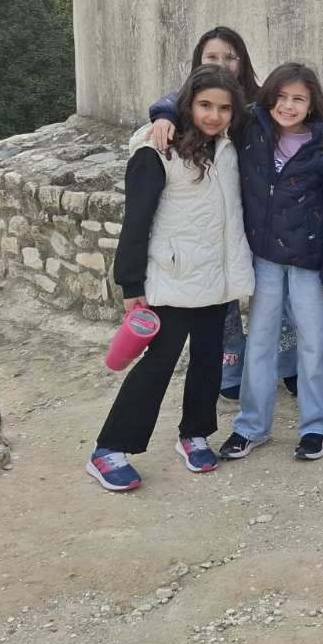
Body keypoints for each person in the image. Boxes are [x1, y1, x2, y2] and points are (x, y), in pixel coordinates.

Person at [147, 27, 323, 399]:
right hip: (219, 215)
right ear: (198, 62)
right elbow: (174, 102)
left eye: (230, 57)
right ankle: (231, 369)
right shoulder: (194, 103)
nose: (222, 64)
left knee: (278, 305)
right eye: (212, 57)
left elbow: (303, 116)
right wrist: (161, 115)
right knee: (226, 308)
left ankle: (288, 366)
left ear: (243, 61)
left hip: (262, 216)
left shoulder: (260, 101)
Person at [87, 66, 254, 491]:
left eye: (223, 108)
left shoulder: (228, 148)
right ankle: (109, 449)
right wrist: (131, 284)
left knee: (209, 360)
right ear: (187, 105)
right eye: (204, 105)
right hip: (172, 277)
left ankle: (194, 434)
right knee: (158, 364)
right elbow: (136, 220)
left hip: (215, 278)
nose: (213, 116)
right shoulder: (157, 149)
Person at [193, 63, 323, 463]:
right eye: (281, 97)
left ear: (312, 104)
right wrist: (162, 117)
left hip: (310, 262)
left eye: (298, 99)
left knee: (314, 343)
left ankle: (318, 425)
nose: (288, 106)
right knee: (260, 342)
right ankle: (251, 426)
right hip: (264, 257)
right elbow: (193, 102)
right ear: (268, 97)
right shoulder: (251, 129)